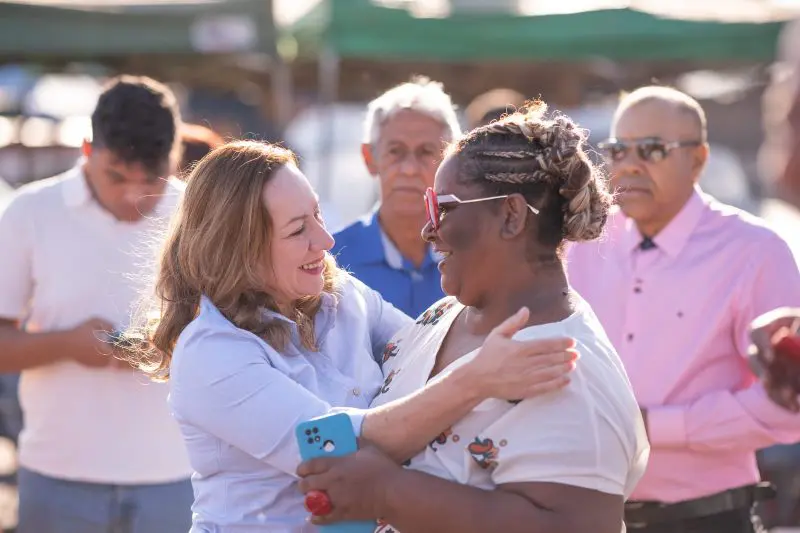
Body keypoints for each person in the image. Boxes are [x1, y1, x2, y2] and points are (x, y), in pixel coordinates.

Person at [128, 140, 580, 532]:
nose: (324, 240)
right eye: (297, 229)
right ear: (238, 249)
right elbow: (341, 448)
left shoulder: (337, 292)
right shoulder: (210, 353)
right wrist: (477, 379)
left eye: (317, 215)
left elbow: (428, 352)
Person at [297, 103, 649, 533]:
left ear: (511, 215)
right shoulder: (442, 316)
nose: (428, 228)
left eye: (441, 207)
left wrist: (390, 492)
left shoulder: (565, 367)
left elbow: (577, 526)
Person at [568, 85, 800, 533]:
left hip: (708, 518)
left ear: (698, 160)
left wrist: (657, 427)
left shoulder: (755, 251)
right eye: (617, 150)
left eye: (652, 149)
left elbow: (789, 407)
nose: (629, 164)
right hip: (589, 516)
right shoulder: (582, 246)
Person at [0, 75, 193, 532]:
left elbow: (243, 329)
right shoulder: (29, 212)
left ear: (176, 155)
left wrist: (170, 343)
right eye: (117, 177)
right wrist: (68, 344)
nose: (133, 196)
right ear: (87, 149)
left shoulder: (200, 216)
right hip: (57, 474)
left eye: (151, 179)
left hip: (177, 474)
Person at [332, 77, 461, 317]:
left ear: (450, 163)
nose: (409, 168)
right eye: (395, 151)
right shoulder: (331, 261)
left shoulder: (472, 255)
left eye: (426, 152)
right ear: (370, 158)